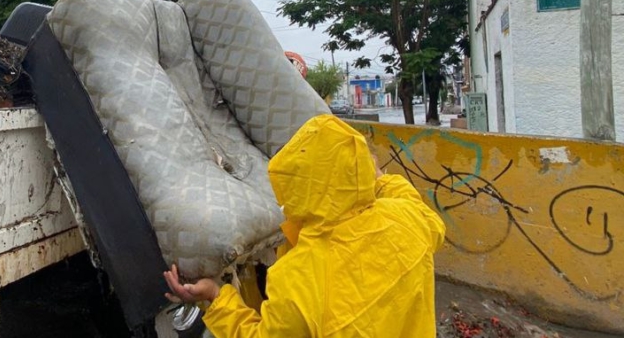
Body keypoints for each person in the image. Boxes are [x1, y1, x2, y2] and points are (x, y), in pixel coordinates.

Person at [164, 114, 446, 337]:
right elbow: (410, 200)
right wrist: (376, 178)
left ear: (294, 189)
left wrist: (216, 297)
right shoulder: (408, 219)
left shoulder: (298, 277)